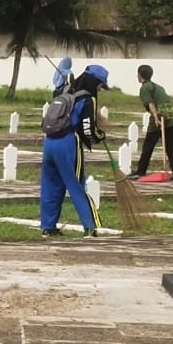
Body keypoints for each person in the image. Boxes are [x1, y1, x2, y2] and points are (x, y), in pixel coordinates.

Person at [40, 65, 109, 238]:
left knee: (50, 185)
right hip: (68, 143)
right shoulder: (87, 99)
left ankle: (48, 227)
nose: (100, 89)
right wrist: (99, 136)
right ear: (95, 81)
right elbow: (87, 129)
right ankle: (90, 226)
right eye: (100, 85)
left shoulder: (63, 92)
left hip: (49, 142)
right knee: (77, 184)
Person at [129, 65, 173, 181]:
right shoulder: (159, 87)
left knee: (148, 146)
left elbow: (151, 104)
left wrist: (156, 118)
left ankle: (140, 172)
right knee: (170, 148)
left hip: (159, 118)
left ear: (139, 75)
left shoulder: (145, 88)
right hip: (172, 118)